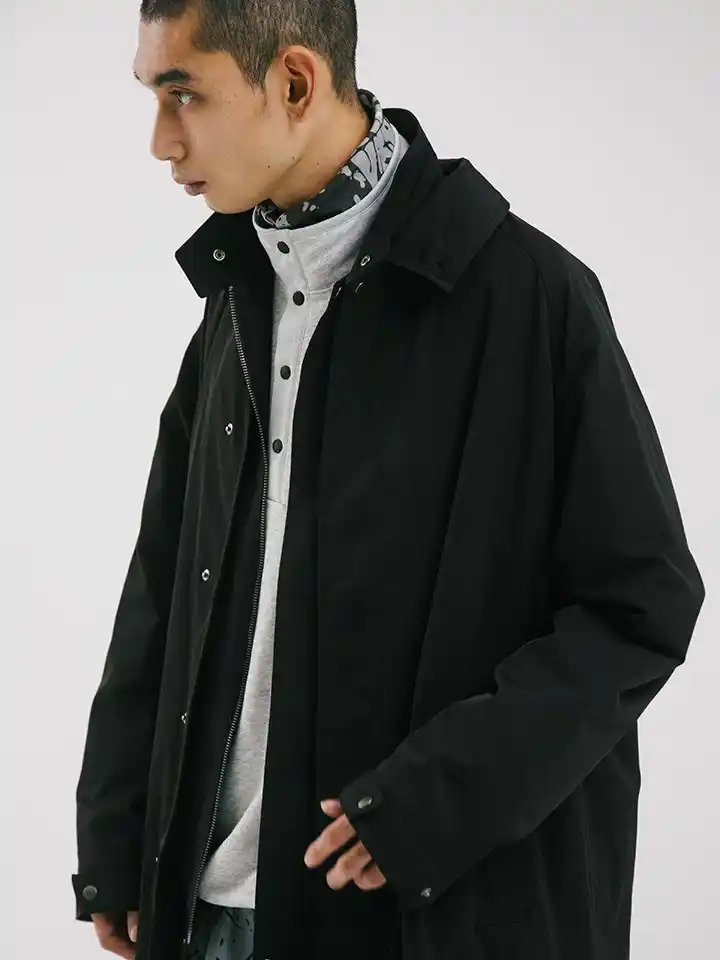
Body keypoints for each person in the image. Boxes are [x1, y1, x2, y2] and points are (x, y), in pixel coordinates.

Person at [71, 1, 706, 958]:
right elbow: (164, 586)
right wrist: (120, 834)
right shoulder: (238, 302)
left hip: (435, 915)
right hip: (208, 915)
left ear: (295, 82)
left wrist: (435, 800)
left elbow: (639, 605)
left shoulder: (529, 299)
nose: (162, 141)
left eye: (183, 94)